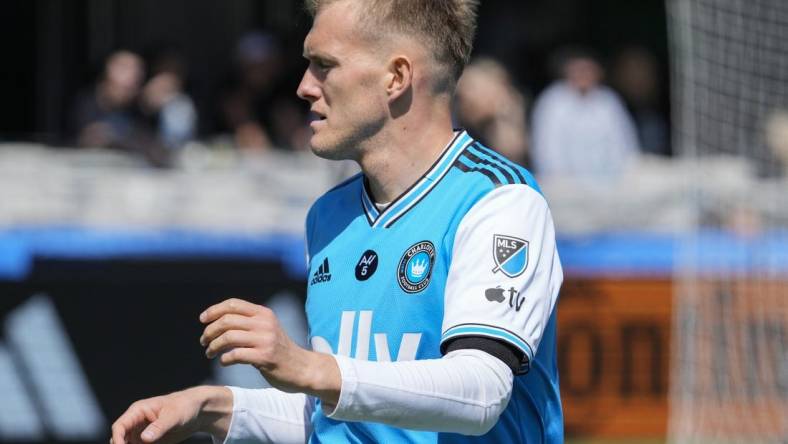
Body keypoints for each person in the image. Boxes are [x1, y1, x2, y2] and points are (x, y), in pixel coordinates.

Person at [111, 0, 563, 443]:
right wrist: (211, 408)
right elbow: (343, 415)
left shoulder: (499, 201)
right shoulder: (329, 216)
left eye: (324, 65)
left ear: (396, 77)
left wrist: (308, 368)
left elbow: (482, 391)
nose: (304, 87)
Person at [531, 48, 640, 178]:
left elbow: (623, 142)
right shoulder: (553, 100)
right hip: (564, 184)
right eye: (578, 70)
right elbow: (546, 146)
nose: (583, 74)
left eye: (588, 70)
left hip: (608, 182)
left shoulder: (608, 101)